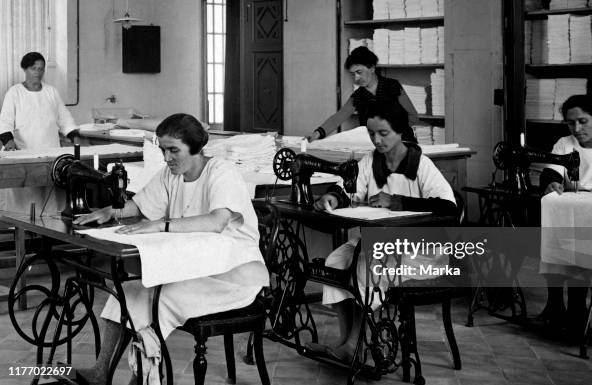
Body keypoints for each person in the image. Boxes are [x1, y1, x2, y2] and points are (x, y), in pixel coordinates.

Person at [72, 113, 269, 385]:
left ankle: (141, 380)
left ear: (195, 147)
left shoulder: (222, 172)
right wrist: (110, 211)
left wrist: (160, 226)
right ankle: (100, 371)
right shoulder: (171, 174)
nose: (166, 157)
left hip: (232, 277)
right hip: (197, 267)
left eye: (173, 150)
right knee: (126, 290)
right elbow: (142, 205)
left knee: (158, 300)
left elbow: (216, 221)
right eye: (163, 149)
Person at [307, 102, 456, 361]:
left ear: (400, 132)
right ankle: (347, 341)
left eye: (383, 133)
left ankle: (354, 346)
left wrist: (398, 201)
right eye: (371, 133)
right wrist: (333, 197)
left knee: (366, 262)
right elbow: (350, 191)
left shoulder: (421, 165)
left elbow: (448, 208)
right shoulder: (370, 162)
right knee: (336, 261)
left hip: (422, 253)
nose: (376, 140)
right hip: (383, 243)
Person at [539, 95, 592, 339]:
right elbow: (551, 171)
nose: (577, 129)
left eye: (583, 121)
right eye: (571, 123)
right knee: (555, 231)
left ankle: (579, 310)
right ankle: (559, 304)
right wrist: (551, 184)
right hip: (574, 215)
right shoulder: (564, 144)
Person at [0, 52, 79, 214]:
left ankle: (49, 229)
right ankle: (24, 228)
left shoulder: (51, 92)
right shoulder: (15, 92)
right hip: (25, 152)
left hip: (50, 151)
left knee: (48, 192)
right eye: (33, 68)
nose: (37, 72)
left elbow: (64, 118)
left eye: (41, 69)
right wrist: (8, 141)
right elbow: (5, 121)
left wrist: (74, 136)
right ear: (25, 69)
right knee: (26, 194)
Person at [307, 46, 420, 142]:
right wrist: (317, 133)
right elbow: (338, 118)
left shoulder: (392, 86)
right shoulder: (358, 96)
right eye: (353, 74)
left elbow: (413, 116)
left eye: (359, 72)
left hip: (402, 143)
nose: (356, 78)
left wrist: (397, 133)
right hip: (376, 146)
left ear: (371, 68)